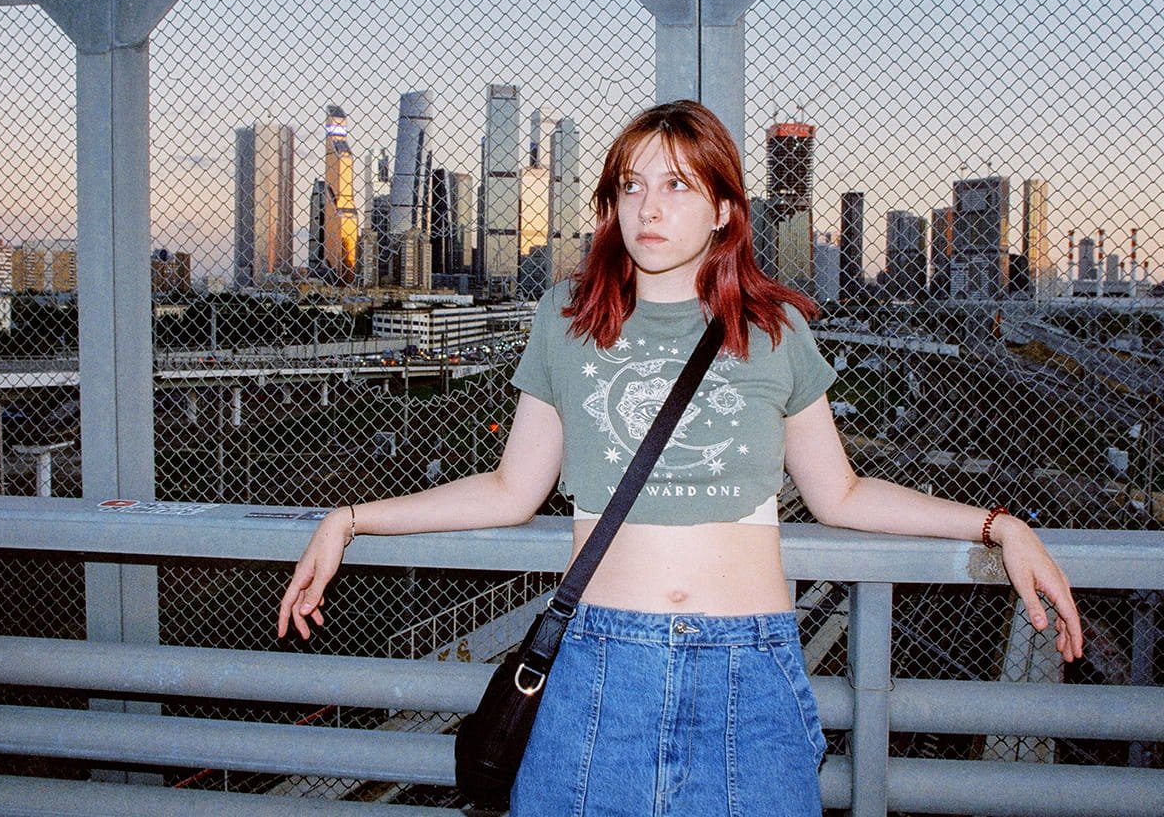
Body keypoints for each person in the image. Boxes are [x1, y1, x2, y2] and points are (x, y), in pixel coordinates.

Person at [278, 100, 1083, 816]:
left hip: (748, 671)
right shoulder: (566, 318)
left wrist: (996, 527)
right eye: (631, 186)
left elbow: (842, 493)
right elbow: (509, 489)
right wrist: (351, 520)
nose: (649, 208)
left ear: (725, 209)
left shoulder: (773, 330)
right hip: (597, 668)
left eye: (676, 186)